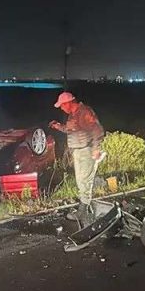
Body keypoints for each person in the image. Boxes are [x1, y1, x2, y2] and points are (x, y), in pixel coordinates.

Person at [49, 92, 105, 224]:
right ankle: (85, 208)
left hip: (86, 150)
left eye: (62, 106)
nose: (61, 108)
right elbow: (72, 130)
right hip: (78, 151)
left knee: (84, 181)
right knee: (81, 180)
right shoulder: (73, 114)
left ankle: (83, 212)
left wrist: (96, 148)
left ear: (68, 103)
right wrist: (58, 127)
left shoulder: (84, 112)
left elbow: (97, 130)